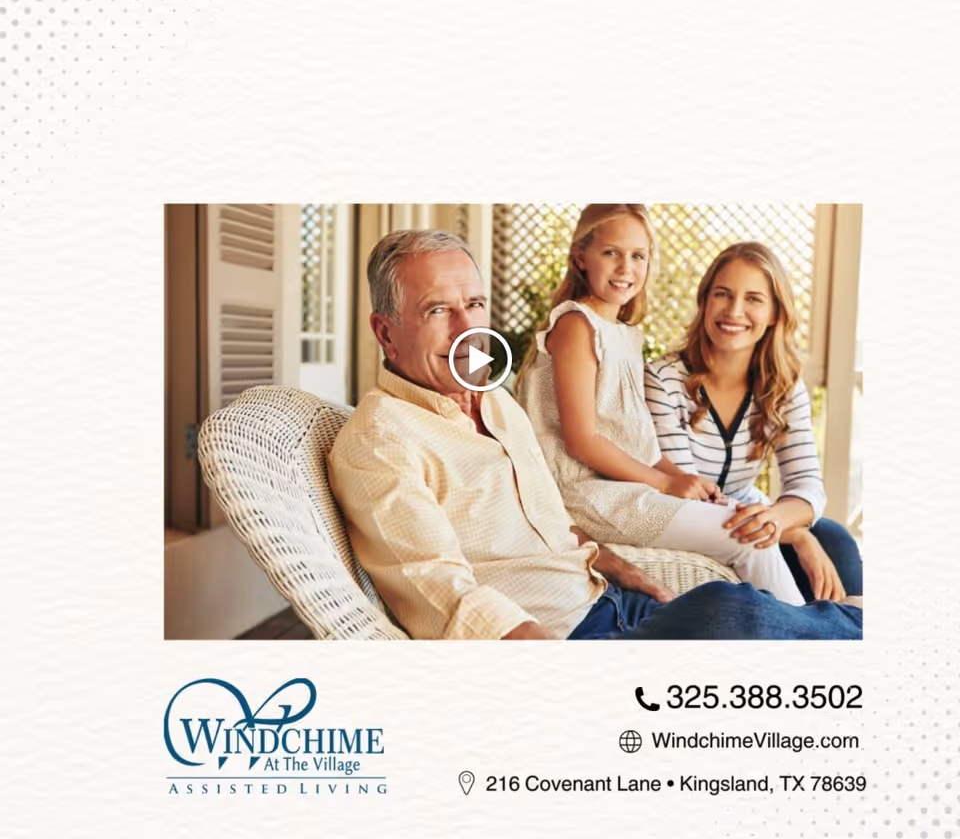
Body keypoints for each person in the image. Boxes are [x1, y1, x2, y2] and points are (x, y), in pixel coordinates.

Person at [327, 228, 862, 640]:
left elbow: (548, 521)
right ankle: (861, 634)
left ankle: (848, 632)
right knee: (736, 614)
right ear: (384, 333)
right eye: (438, 310)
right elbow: (435, 587)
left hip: (604, 597)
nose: (466, 326)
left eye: (475, 304)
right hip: (568, 636)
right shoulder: (383, 438)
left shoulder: (496, 402)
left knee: (740, 598)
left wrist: (611, 562)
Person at [517, 205, 805, 604]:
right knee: (748, 537)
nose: (625, 268)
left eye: (638, 256)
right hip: (586, 496)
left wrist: (689, 482)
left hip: (624, 489)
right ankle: (815, 633)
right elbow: (580, 440)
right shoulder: (575, 326)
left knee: (747, 526)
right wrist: (667, 483)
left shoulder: (623, 334)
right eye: (611, 253)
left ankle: (796, 626)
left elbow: (638, 445)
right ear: (581, 256)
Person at [644, 241, 863, 602]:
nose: (734, 311)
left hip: (754, 518)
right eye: (723, 294)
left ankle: (851, 633)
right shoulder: (663, 379)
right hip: (695, 524)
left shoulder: (783, 385)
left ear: (775, 312)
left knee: (836, 539)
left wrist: (778, 518)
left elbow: (808, 485)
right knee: (811, 540)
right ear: (705, 301)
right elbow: (693, 499)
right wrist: (796, 534)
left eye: (754, 299)